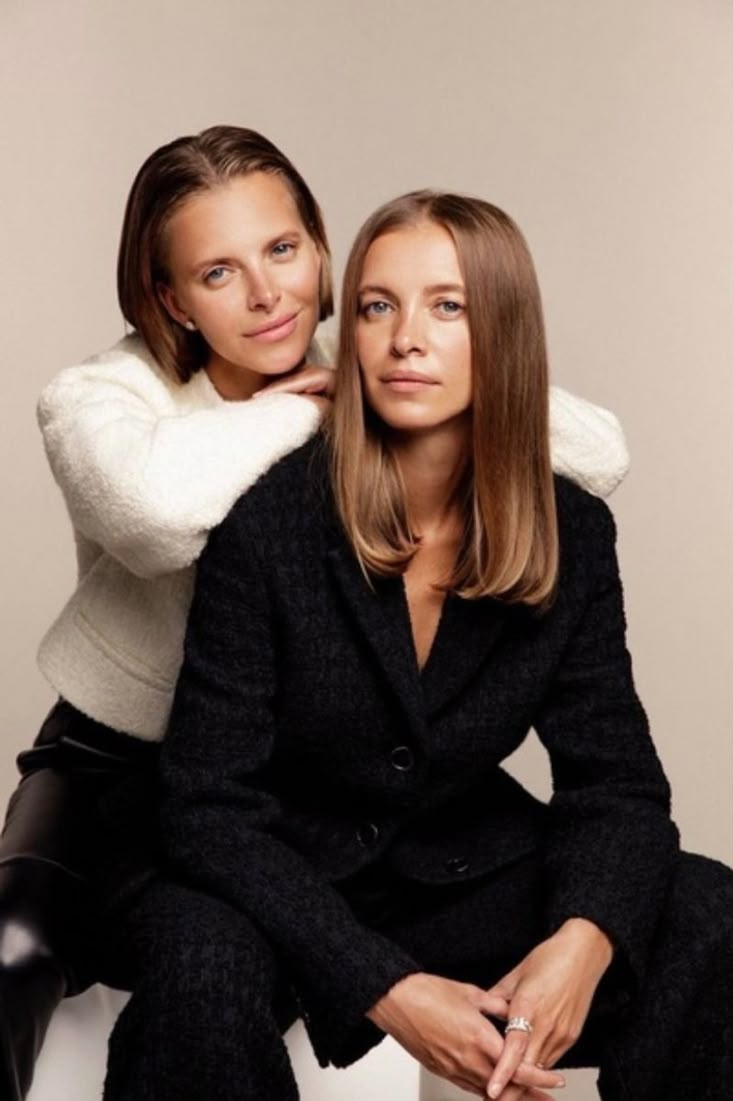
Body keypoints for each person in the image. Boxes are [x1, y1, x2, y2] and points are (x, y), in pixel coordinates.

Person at [0, 125, 629, 1101]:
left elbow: (596, 449)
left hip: (302, 781)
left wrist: (411, 386)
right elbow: (156, 514)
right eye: (218, 271)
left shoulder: (380, 358)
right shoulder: (100, 397)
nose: (267, 295)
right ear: (170, 296)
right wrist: (315, 412)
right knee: (15, 948)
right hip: (122, 768)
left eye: (284, 251)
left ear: (323, 250)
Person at [102, 190, 733, 1101]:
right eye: (377, 305)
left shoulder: (574, 531)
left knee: (707, 909)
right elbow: (208, 806)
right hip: (274, 870)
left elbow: (618, 782)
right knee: (197, 968)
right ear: (351, 330)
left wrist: (582, 938)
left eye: (449, 306)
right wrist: (385, 988)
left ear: (504, 332)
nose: (407, 338)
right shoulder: (267, 519)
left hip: (455, 864)